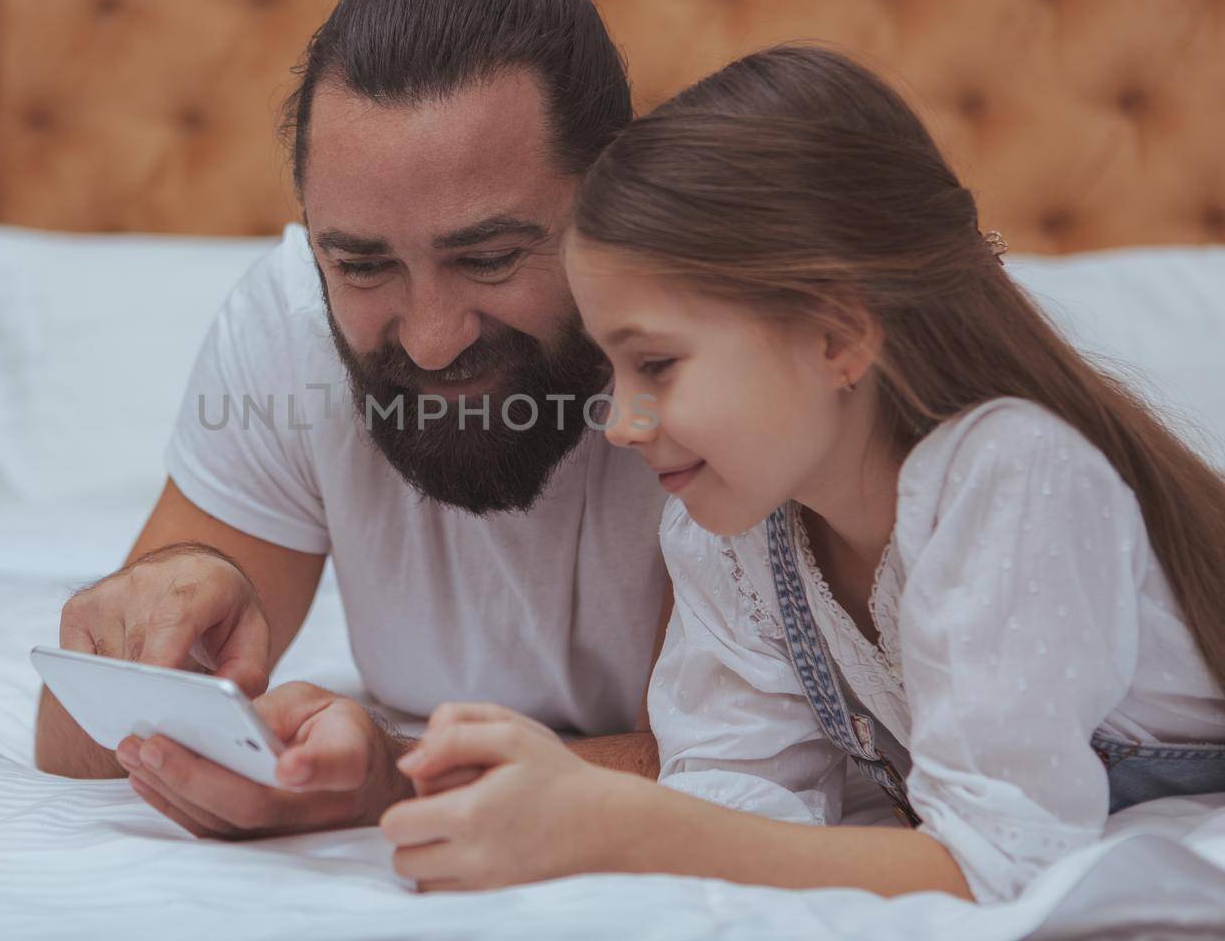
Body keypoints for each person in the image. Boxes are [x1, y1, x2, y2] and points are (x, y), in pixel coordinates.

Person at [381, 44, 1225, 900]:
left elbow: (1003, 864)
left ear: (837, 335)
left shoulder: (1014, 477)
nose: (621, 427)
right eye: (613, 371)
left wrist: (621, 826)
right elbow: (733, 797)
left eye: (659, 365)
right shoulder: (738, 533)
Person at [34, 0, 672, 838]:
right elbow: (75, 745)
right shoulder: (290, 326)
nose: (429, 335)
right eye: (363, 264)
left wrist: (400, 780)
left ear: (614, 200)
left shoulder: (716, 344)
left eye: (490, 257)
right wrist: (134, 635)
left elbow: (741, 759)